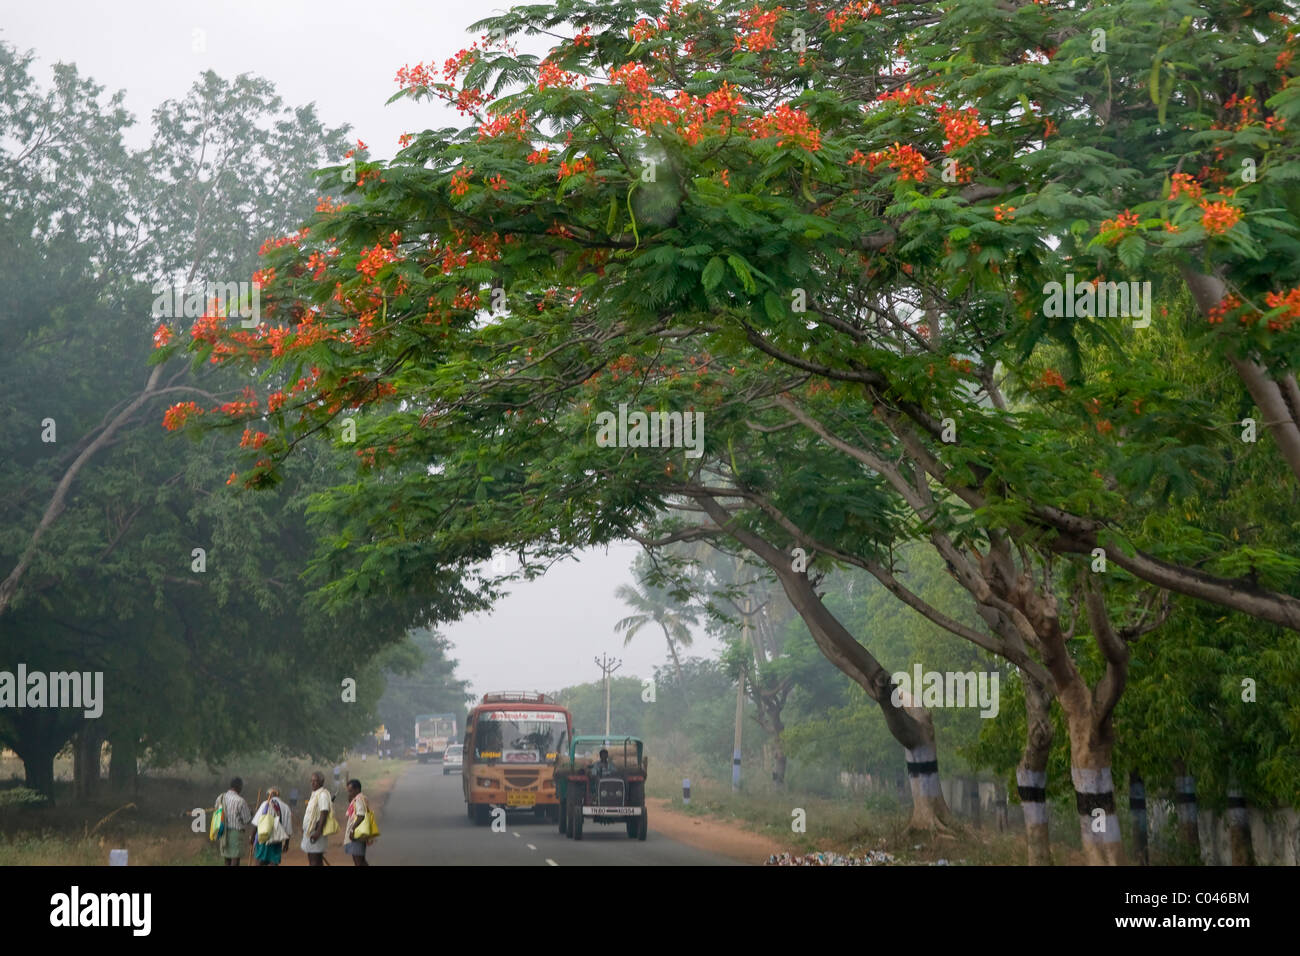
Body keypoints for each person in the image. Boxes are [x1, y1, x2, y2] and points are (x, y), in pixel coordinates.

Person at [251, 787, 293, 866]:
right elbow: (288, 829)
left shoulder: (265, 804)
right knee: (273, 862)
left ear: (270, 794)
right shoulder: (286, 807)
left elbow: (257, 822)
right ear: (279, 795)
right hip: (277, 840)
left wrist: (252, 836)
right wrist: (287, 844)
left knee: (259, 861)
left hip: (263, 838)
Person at [215, 777, 252, 866]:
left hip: (223, 831)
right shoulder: (240, 801)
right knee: (235, 858)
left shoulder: (220, 798)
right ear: (239, 787)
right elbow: (247, 820)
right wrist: (251, 812)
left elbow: (217, 812)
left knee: (227, 858)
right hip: (235, 833)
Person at [301, 771, 332, 866]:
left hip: (316, 832)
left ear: (321, 782)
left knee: (314, 860)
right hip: (311, 831)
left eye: (316, 781)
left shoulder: (323, 795)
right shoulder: (315, 794)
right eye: (312, 781)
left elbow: (324, 812)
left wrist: (318, 831)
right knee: (316, 860)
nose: (313, 783)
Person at [344, 779, 372, 867]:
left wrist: (352, 830)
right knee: (360, 860)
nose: (349, 793)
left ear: (357, 789)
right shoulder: (361, 798)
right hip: (359, 834)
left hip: (357, 834)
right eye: (348, 791)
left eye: (351, 791)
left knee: (358, 862)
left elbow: (361, 815)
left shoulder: (359, 799)